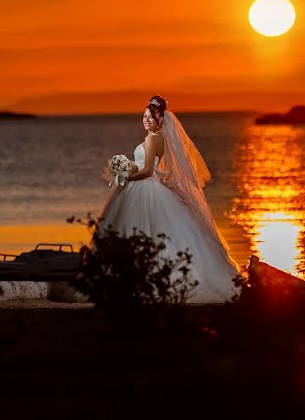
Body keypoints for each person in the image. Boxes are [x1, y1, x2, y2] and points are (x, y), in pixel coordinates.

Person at [95, 95, 241, 303]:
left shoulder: (152, 139)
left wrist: (126, 176)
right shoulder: (161, 138)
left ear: (160, 119)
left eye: (151, 117)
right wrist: (129, 167)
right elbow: (153, 167)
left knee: (137, 227)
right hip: (153, 185)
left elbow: (147, 171)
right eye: (144, 116)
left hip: (143, 186)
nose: (146, 120)